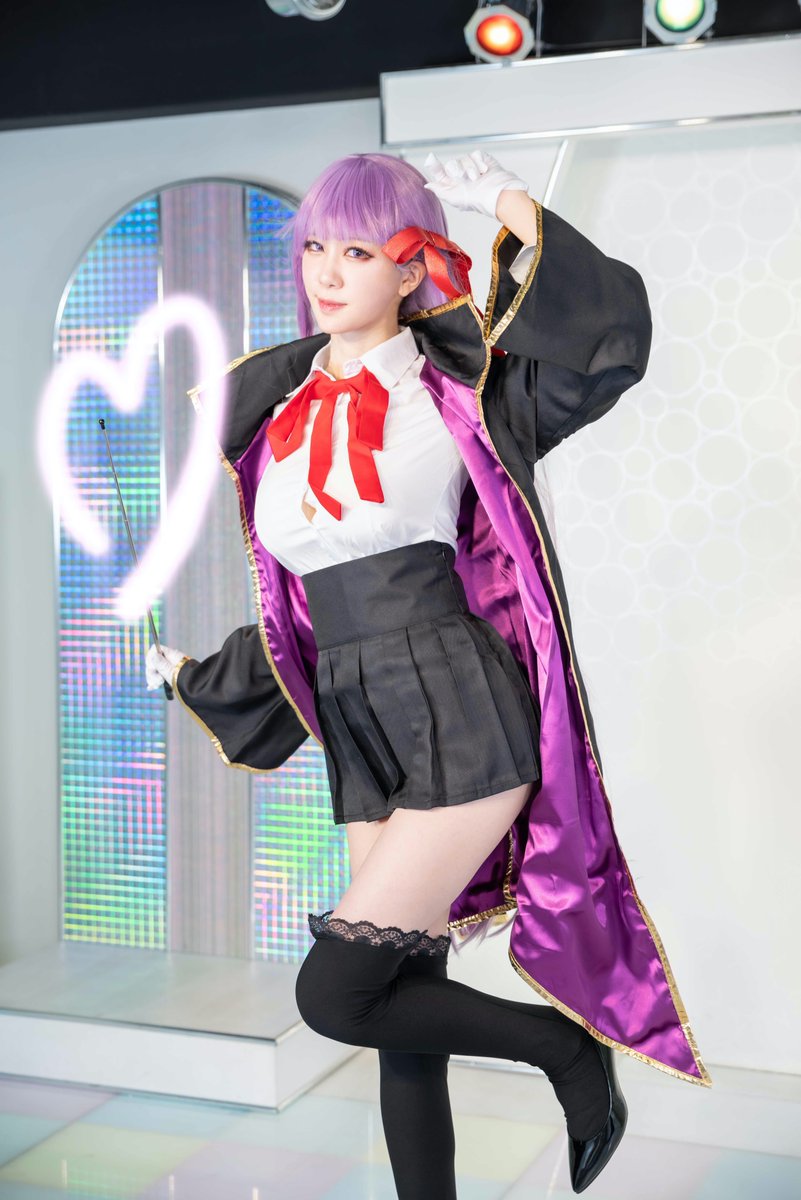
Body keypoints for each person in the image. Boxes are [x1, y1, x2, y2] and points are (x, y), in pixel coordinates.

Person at [146, 151, 711, 1197]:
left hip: (454, 703)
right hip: (360, 720)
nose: (327, 272)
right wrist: (202, 672)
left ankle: (565, 1049)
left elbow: (602, 339)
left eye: (359, 252)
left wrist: (502, 203)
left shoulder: (460, 384)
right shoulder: (278, 409)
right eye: (316, 247)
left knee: (337, 996)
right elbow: (307, 603)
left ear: (410, 268)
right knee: (399, 1021)